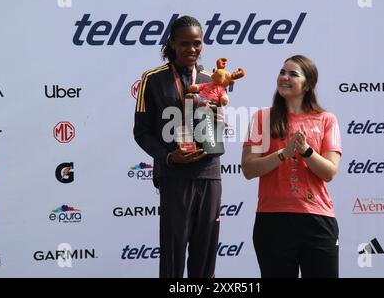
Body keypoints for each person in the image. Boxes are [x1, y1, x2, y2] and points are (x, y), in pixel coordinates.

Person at [133, 15, 221, 278]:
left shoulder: (211, 78)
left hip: (209, 174)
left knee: (205, 255)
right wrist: (168, 157)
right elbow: (142, 132)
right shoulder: (153, 79)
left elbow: (216, 128)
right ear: (171, 43)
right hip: (174, 175)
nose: (191, 50)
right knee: (172, 256)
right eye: (184, 44)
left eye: (197, 43)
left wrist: (218, 121)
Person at [241, 55, 342, 278]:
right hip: (273, 221)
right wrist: (283, 153)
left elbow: (329, 171)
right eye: (282, 72)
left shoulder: (326, 119)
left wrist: (306, 151)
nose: (284, 78)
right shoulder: (261, 118)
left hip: (317, 220)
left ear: (307, 84)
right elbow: (248, 169)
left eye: (293, 74)